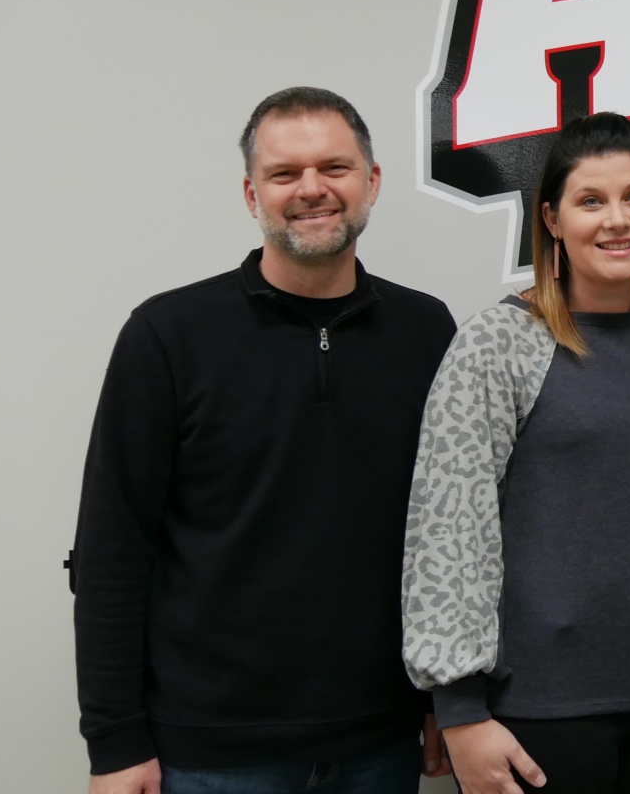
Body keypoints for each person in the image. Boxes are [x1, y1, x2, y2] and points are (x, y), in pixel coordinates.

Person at [72, 88, 457, 794]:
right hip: (210, 752)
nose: (312, 189)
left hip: (380, 743)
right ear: (253, 194)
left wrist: (446, 697)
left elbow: (450, 537)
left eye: (334, 167)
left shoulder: (426, 331)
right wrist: (114, 739)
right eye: (284, 173)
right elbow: (112, 550)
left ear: (372, 182)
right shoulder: (167, 335)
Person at [400, 112, 630, 794]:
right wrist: (459, 709)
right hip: (537, 713)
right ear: (552, 220)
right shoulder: (497, 345)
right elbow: (449, 526)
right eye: (590, 201)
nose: (617, 220)